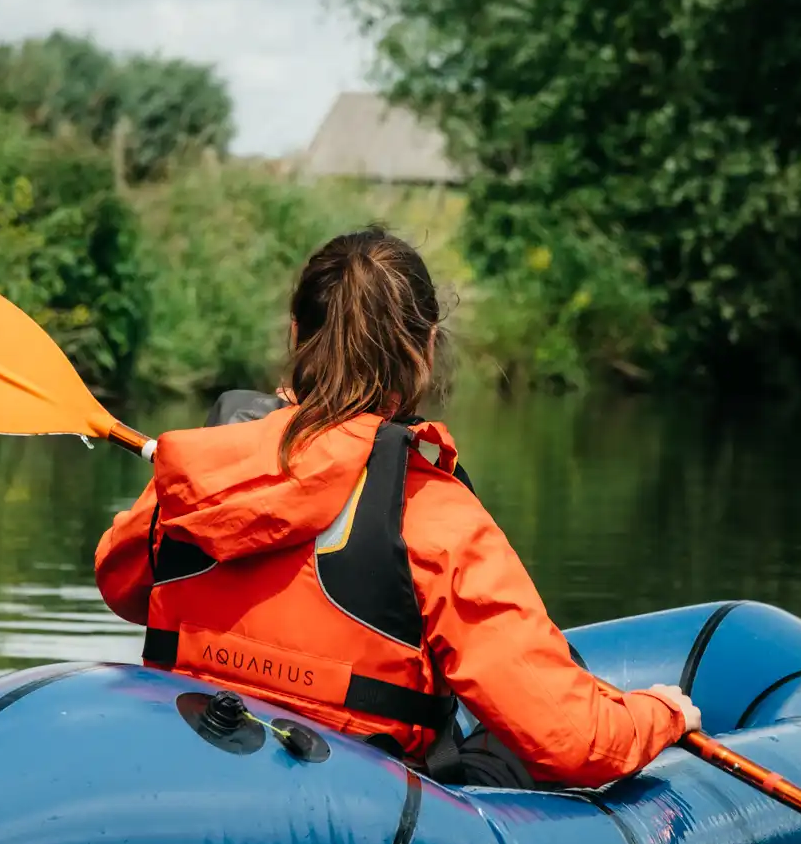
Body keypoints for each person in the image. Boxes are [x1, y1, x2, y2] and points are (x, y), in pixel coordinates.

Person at [95, 228, 700, 789]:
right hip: (357, 817)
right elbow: (569, 741)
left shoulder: (199, 471)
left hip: (192, 774)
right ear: (426, 350)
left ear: (296, 334)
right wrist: (661, 715)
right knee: (513, 726)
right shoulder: (435, 514)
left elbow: (121, 587)